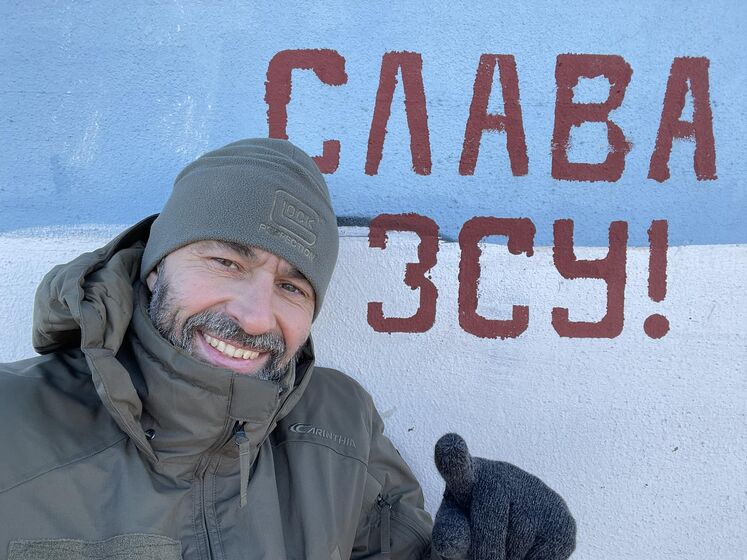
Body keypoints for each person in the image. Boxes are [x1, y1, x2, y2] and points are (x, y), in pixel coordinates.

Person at [0, 139, 576, 559]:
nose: (255, 315)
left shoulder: (341, 424)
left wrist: (490, 545)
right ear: (155, 269)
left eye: (291, 287)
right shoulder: (13, 422)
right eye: (226, 262)